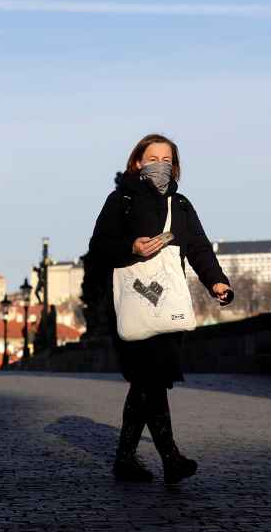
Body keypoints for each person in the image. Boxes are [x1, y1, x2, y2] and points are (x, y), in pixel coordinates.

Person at [88, 133, 233, 484]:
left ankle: (127, 459)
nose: (160, 165)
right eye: (152, 158)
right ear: (137, 162)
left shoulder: (180, 205)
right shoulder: (120, 200)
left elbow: (198, 247)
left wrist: (217, 281)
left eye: (166, 160)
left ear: (175, 166)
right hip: (130, 303)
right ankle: (170, 458)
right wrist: (132, 247)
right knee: (148, 378)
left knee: (147, 381)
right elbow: (98, 247)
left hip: (167, 303)